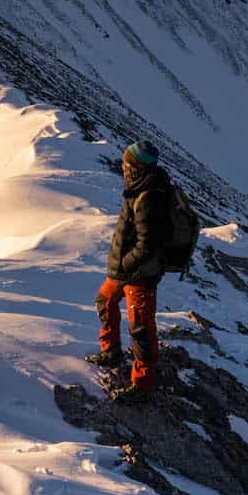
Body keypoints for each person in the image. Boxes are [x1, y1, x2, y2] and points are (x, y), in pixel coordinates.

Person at [89, 140, 172, 393]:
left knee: (141, 328)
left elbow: (147, 244)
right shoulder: (140, 188)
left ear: (137, 167)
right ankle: (111, 351)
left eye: (128, 163)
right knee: (105, 300)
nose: (123, 167)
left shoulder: (149, 197)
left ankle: (142, 384)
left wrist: (124, 264)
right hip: (127, 271)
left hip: (140, 274)